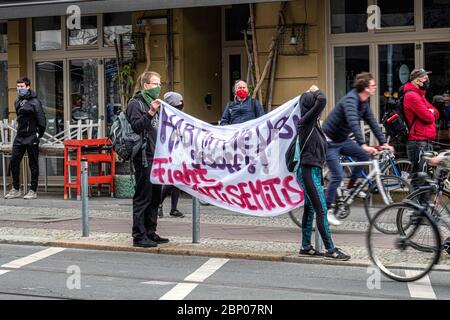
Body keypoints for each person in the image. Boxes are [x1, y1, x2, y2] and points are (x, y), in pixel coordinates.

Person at [322, 72, 394, 226]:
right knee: (337, 176)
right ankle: (326, 211)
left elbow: (373, 123)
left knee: (363, 156)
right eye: (373, 85)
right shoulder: (351, 100)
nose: (375, 88)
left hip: (342, 139)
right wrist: (363, 143)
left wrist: (383, 143)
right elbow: (353, 122)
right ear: (366, 87)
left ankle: (350, 188)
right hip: (329, 141)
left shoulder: (364, 103)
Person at [296, 85, 350, 260]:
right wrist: (316, 90)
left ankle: (305, 246)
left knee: (310, 208)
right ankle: (330, 249)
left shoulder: (314, 124)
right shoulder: (306, 121)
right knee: (321, 209)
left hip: (314, 170)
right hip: (308, 171)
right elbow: (323, 100)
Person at [126, 71, 168, 248]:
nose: (158, 87)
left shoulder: (156, 104)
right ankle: (139, 235)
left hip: (156, 155)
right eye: (155, 84)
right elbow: (136, 127)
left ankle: (150, 231)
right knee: (144, 195)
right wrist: (151, 111)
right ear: (146, 86)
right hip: (143, 156)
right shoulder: (136, 104)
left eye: (160, 84)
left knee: (155, 196)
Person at [5, 77, 46, 200]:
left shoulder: (35, 102)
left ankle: (33, 190)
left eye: (22, 86)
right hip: (20, 136)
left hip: (32, 135)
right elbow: (19, 117)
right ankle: (16, 189)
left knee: (33, 163)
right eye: (18, 87)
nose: (19, 89)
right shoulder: (17, 100)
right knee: (14, 161)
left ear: (28, 86)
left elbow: (42, 120)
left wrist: (39, 134)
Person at [404, 68, 438, 190]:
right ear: (417, 81)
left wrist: (431, 112)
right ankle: (415, 207)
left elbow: (436, 113)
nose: (427, 81)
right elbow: (429, 117)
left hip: (424, 141)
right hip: (418, 142)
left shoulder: (420, 96)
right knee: (419, 178)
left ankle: (422, 208)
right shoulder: (412, 96)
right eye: (425, 79)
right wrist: (431, 112)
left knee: (426, 178)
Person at [158, 91, 185, 218]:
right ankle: (158, 203)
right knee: (170, 180)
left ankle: (174, 208)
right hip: (169, 151)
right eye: (180, 101)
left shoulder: (178, 115)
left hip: (178, 150)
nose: (182, 103)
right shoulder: (166, 116)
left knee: (177, 180)